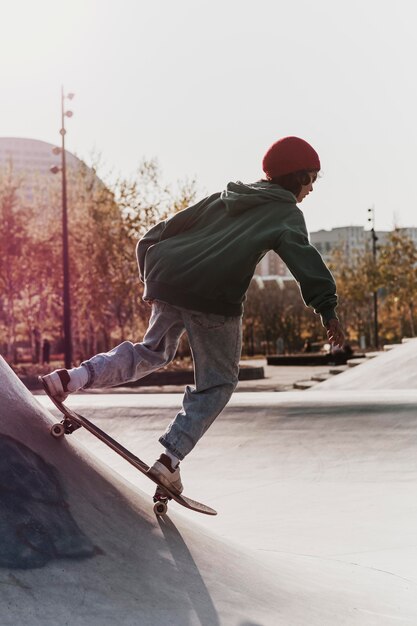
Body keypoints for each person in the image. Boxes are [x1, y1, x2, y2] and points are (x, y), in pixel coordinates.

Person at [42, 136, 345, 495]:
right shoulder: (286, 213)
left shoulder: (226, 196)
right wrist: (328, 309)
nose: (311, 188)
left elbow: (159, 233)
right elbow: (304, 260)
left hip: (169, 276)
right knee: (218, 382)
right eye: (310, 178)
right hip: (214, 296)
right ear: (294, 177)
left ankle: (71, 378)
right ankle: (170, 460)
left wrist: (150, 281)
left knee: (151, 352)